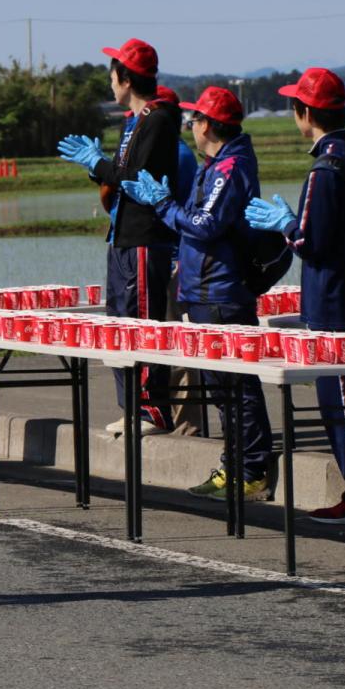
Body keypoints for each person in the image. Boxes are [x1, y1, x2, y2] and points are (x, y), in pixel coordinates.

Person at [245, 68, 345, 524]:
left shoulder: (325, 170)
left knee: (343, 406)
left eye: (295, 107)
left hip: (334, 306)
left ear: (305, 112)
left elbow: (310, 242)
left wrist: (285, 224)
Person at [122, 86, 274, 500]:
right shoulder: (216, 164)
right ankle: (234, 465)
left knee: (237, 388)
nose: (190, 126)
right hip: (205, 291)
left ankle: (252, 470)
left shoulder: (230, 167)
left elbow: (205, 225)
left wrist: (163, 205)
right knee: (223, 390)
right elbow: (195, 219)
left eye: (194, 120)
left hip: (221, 292)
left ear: (208, 125)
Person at [58, 38, 179, 435]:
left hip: (144, 237)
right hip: (122, 236)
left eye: (112, 76)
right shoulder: (135, 121)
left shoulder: (158, 119)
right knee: (120, 321)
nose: (110, 84)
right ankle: (131, 407)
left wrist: (100, 165)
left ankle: (152, 410)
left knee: (142, 321)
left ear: (126, 79)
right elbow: (120, 175)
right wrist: (98, 168)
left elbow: (135, 178)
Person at [158, 86, 205, 437]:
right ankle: (171, 418)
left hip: (175, 259)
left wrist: (176, 256)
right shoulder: (165, 152)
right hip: (164, 257)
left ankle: (187, 426)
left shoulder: (176, 155)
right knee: (167, 342)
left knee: (179, 344)